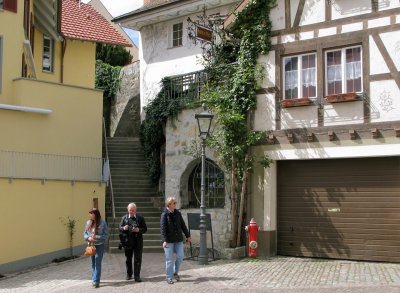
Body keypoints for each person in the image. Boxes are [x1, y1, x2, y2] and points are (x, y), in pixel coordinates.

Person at [160, 197, 191, 284]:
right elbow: (163, 229)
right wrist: (164, 240)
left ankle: (175, 272)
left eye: (175, 203)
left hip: (178, 239)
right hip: (168, 241)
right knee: (169, 259)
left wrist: (188, 236)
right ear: (169, 205)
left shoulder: (178, 213)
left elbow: (183, 225)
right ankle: (169, 277)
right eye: (174, 203)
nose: (175, 204)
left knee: (180, 256)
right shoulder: (164, 215)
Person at [119, 202, 147, 282]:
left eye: (133, 210)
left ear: (135, 210)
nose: (131, 212)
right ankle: (129, 274)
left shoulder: (140, 218)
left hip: (138, 242)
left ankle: (137, 276)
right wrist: (124, 228)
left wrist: (139, 230)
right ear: (128, 210)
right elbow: (119, 228)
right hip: (128, 242)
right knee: (128, 259)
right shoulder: (124, 218)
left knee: (138, 259)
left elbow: (145, 228)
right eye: (130, 210)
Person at [84, 208, 108, 288]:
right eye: (90, 214)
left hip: (100, 245)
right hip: (91, 245)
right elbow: (85, 233)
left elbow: (105, 235)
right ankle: (94, 279)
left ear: (96, 214)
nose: (90, 215)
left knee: (97, 263)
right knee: (93, 263)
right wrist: (89, 238)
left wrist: (96, 237)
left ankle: (96, 281)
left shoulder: (103, 223)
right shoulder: (88, 222)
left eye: (92, 214)